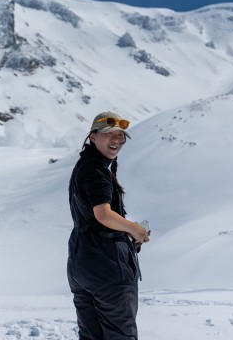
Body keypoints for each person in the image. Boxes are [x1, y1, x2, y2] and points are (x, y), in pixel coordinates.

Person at [67, 111, 150, 340]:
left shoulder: (85, 165)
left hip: (81, 264)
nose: (116, 140)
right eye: (108, 134)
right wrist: (134, 229)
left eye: (120, 135)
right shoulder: (96, 170)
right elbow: (103, 214)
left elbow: (96, 219)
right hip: (107, 268)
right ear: (93, 137)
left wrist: (129, 231)